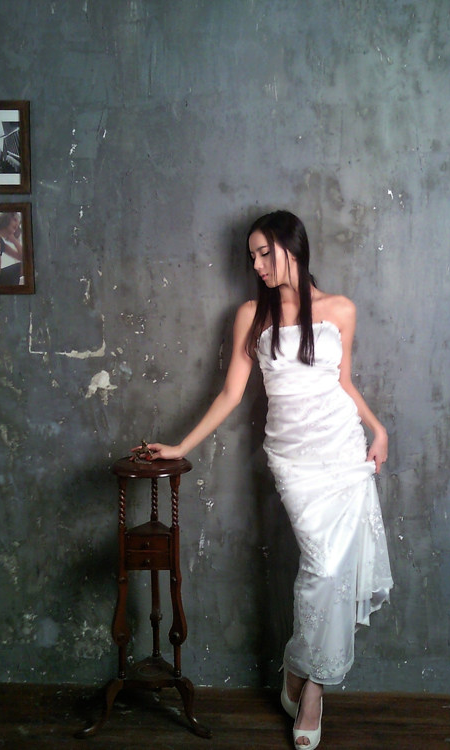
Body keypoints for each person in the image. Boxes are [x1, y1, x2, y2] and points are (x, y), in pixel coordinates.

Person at [144, 210, 393, 749]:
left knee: (332, 571)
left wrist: (377, 429)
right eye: (251, 256)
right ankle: (299, 667)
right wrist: (181, 446)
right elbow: (231, 394)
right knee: (322, 565)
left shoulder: (341, 309)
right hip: (293, 459)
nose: (256, 264)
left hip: (343, 449)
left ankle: (310, 686)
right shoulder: (252, 315)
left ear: (292, 247)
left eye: (264, 253)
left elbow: (344, 382)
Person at [0, 212, 23, 286]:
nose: (17, 224)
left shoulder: (1, 242)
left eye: (18, 224)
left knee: (24, 266)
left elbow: (22, 258)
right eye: (15, 220)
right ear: (6, 219)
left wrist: (14, 241)